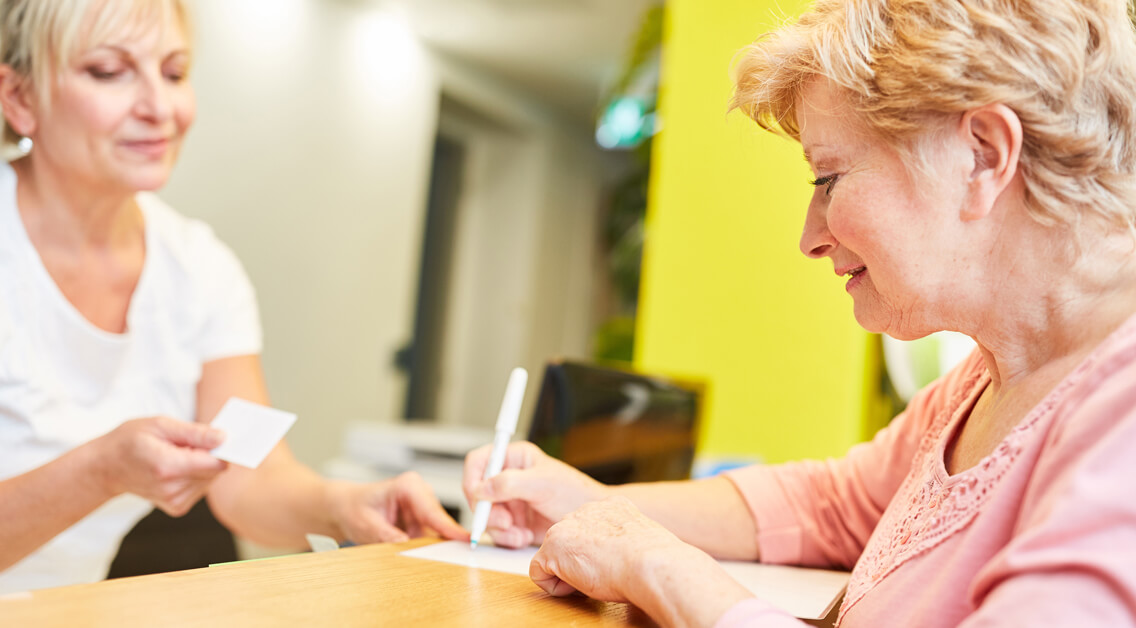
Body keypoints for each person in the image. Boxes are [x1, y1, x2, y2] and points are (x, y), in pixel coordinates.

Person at [463, 0, 1136, 625]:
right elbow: (831, 505)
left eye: (828, 178)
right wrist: (584, 502)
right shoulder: (989, 378)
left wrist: (659, 568)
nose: (810, 237)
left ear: (983, 155)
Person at [0, 0, 466, 596]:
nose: (160, 108)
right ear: (19, 98)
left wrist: (343, 505)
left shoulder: (200, 267)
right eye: (109, 72)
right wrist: (100, 471)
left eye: (174, 72)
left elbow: (249, 480)